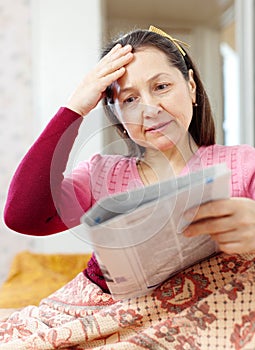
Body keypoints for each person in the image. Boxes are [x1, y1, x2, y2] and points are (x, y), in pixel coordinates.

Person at [4, 25, 255, 294]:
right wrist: (74, 107)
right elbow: (22, 216)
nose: (150, 109)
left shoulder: (244, 166)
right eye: (130, 99)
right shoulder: (99, 176)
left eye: (161, 86)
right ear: (118, 116)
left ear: (191, 87)